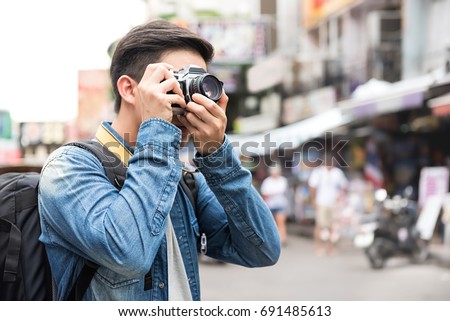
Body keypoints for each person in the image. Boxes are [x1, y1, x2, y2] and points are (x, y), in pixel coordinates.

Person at [38, 20, 280, 301]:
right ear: (130, 90)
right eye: (174, 82)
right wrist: (158, 131)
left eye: (198, 84)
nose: (190, 100)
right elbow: (130, 253)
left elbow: (262, 249)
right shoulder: (69, 168)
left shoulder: (183, 180)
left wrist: (216, 153)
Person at [308, 154, 348, 256]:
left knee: (332, 227)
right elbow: (313, 188)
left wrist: (340, 197)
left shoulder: (337, 173)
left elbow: (344, 186)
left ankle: (330, 247)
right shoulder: (318, 172)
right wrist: (313, 201)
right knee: (320, 226)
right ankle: (318, 247)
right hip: (321, 202)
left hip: (333, 204)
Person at [260, 165, 289, 246]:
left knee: (281, 222)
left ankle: (282, 239)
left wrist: (271, 193)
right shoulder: (267, 181)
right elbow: (265, 194)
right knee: (271, 224)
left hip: (281, 204)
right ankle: (273, 240)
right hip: (270, 205)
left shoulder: (283, 180)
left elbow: (280, 191)